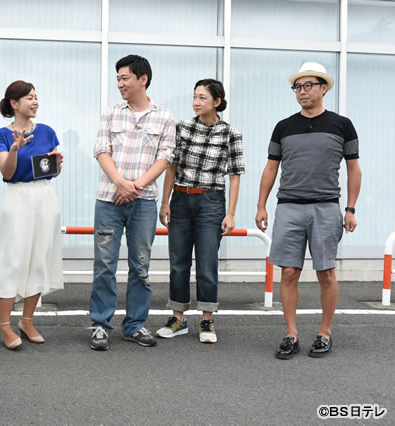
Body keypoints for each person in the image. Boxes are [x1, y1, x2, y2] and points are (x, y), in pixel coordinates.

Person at [255, 62, 361, 359]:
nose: (302, 91)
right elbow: (270, 168)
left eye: (308, 85)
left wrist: (350, 209)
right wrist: (261, 205)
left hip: (326, 207)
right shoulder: (284, 126)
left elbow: (354, 169)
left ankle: (325, 333)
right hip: (288, 207)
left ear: (323, 88)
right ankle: (291, 334)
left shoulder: (342, 125)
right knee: (289, 272)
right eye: (298, 87)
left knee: (326, 272)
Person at [89, 55, 176, 351]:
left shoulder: (164, 117)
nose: (120, 84)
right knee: (104, 264)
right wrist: (120, 183)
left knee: (140, 266)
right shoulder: (111, 114)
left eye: (124, 78)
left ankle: (135, 325)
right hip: (108, 199)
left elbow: (165, 157)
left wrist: (135, 186)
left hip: (144, 201)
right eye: (118, 79)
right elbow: (101, 151)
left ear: (143, 79)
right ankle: (100, 325)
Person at [156, 79, 245, 344]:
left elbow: (235, 175)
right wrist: (165, 202)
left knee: (207, 263)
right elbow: (171, 167)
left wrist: (230, 213)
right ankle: (178, 318)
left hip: (211, 201)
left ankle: (207, 319)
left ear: (217, 102)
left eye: (202, 98)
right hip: (181, 199)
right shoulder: (182, 128)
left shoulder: (231, 134)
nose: (196, 102)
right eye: (194, 97)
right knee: (178, 262)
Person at [0, 80, 64, 349]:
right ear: (14, 103)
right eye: (29, 97)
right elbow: (7, 172)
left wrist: (57, 164)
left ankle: (27, 321)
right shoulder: (1, 135)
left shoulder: (47, 131)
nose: (35, 102)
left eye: (36, 97)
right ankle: (5, 325)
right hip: (17, 196)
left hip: (45, 194)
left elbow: (52, 172)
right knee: (12, 259)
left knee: (40, 257)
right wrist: (15, 149)